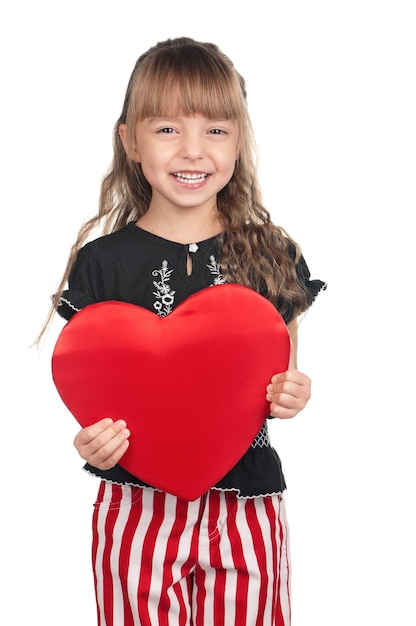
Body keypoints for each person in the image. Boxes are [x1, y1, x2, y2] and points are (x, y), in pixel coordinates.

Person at [42, 37, 326, 626]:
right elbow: (90, 381)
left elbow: (280, 375)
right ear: (130, 140)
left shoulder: (272, 255)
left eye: (216, 130)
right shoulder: (103, 264)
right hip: (134, 504)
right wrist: (90, 440)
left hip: (245, 505)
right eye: (167, 129)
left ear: (240, 139)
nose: (192, 150)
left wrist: (292, 395)